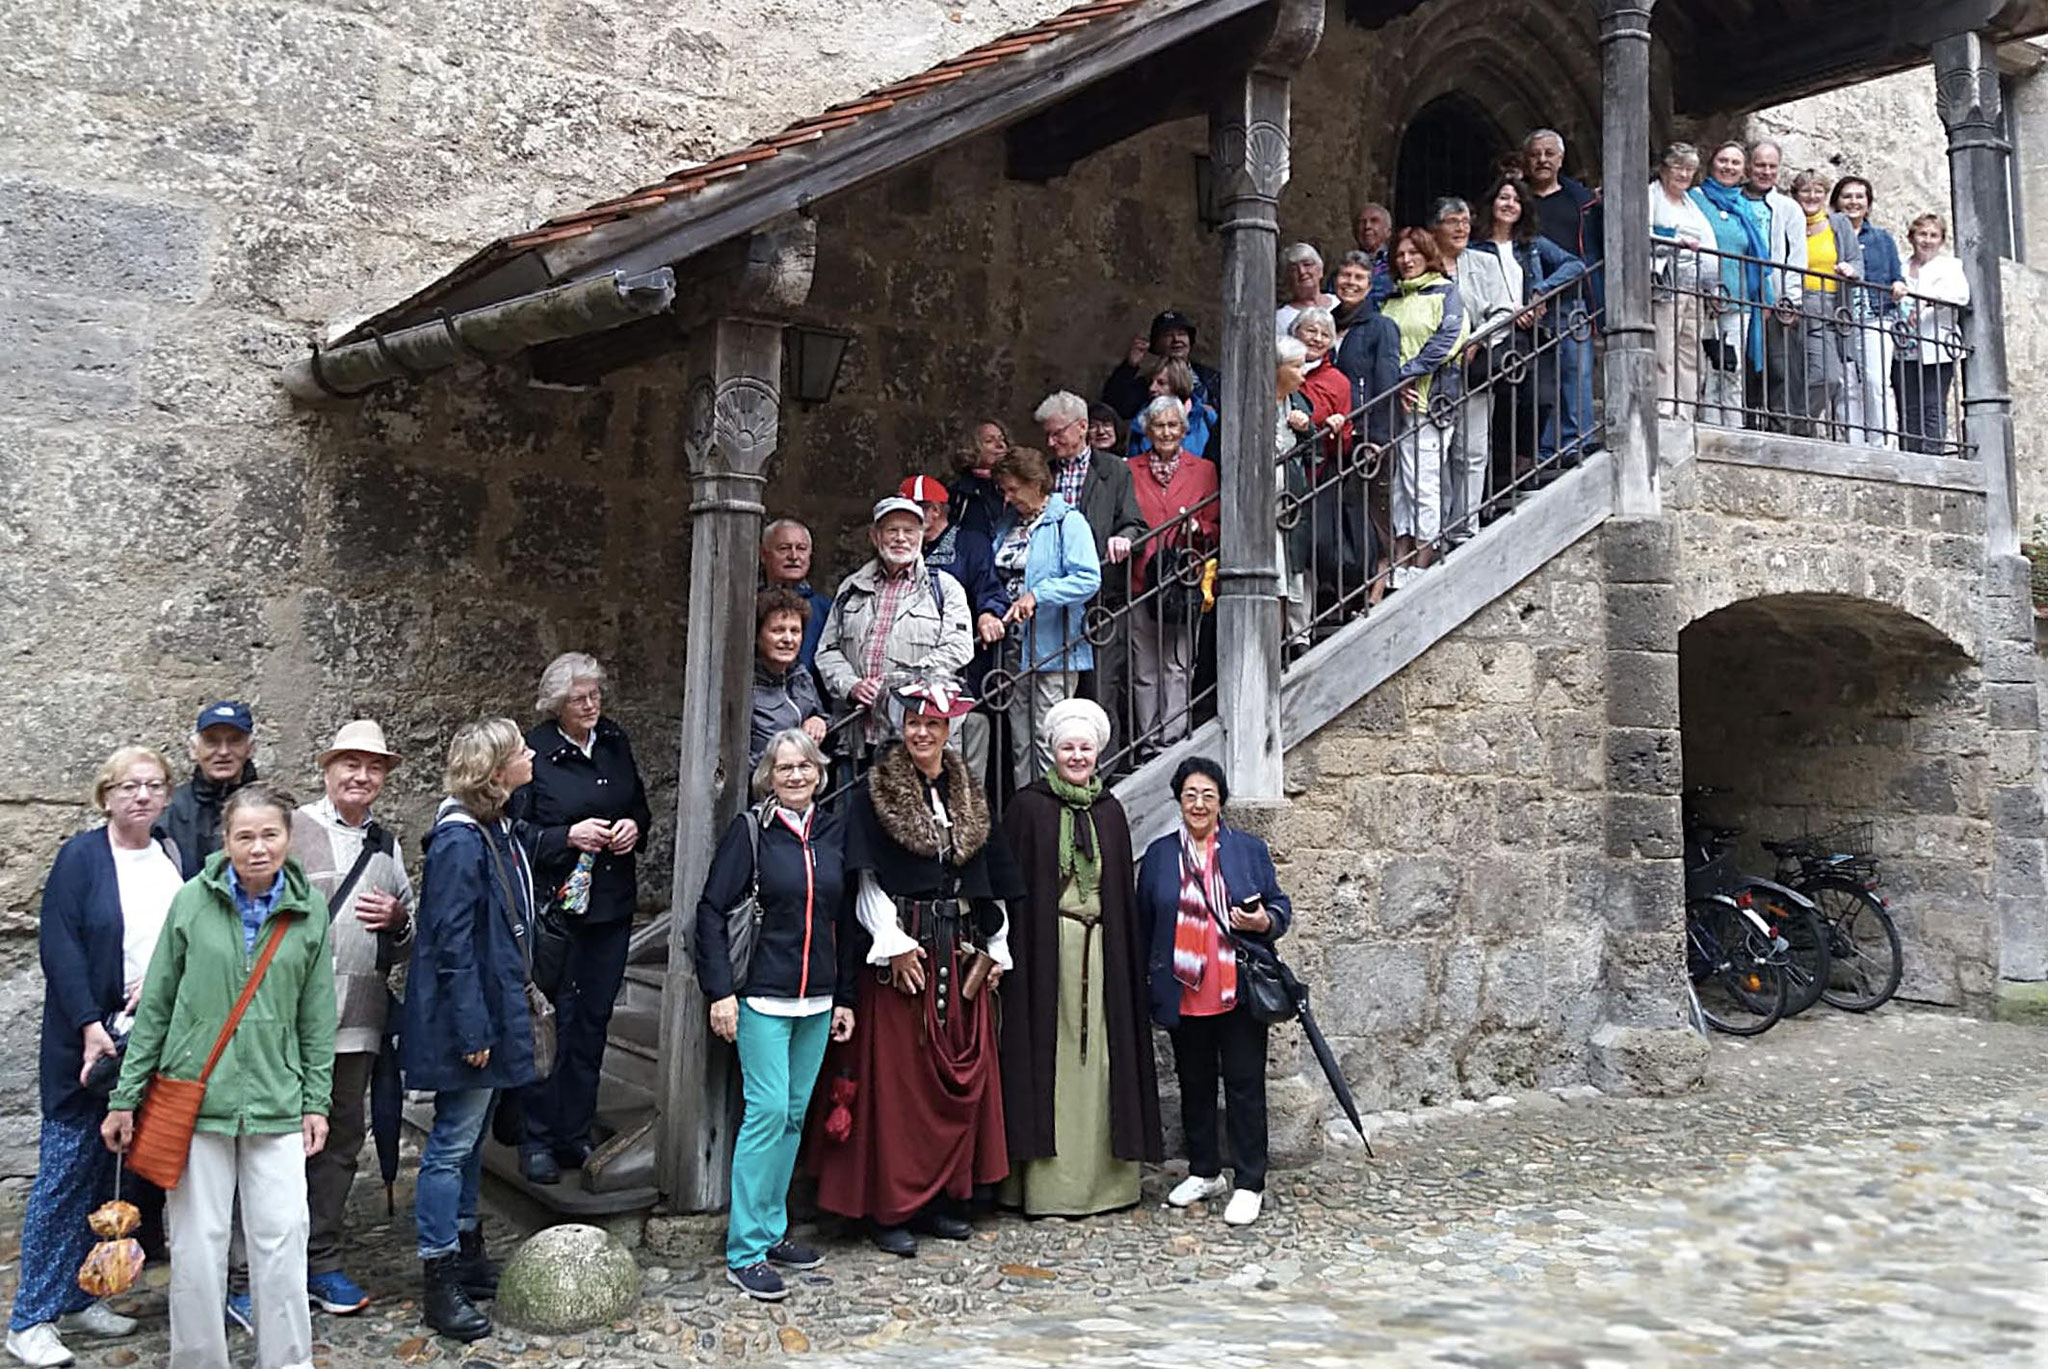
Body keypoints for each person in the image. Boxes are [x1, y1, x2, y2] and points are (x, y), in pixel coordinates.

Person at [102, 783, 337, 1369]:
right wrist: (126, 1096)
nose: (258, 847)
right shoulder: (192, 903)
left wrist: (317, 1100)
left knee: (282, 1241)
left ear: (288, 837)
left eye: (270, 834)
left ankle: (287, 1361)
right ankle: (200, 1361)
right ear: (225, 842)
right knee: (198, 1246)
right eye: (244, 836)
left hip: (277, 1099)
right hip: (196, 1098)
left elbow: (316, 1016)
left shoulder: (308, 913)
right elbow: (155, 1005)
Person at [808, 683, 1023, 1257]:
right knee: (899, 1091)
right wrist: (893, 942)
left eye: (932, 725)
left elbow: (989, 875)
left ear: (949, 731)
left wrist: (996, 943)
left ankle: (937, 1202)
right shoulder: (877, 793)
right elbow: (867, 880)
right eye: (912, 724)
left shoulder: (968, 794)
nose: (921, 733)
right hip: (902, 957)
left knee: (945, 1085)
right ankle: (890, 1208)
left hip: (957, 954)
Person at [7, 748, 178, 1369]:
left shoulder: (168, 856)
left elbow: (174, 938)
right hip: (88, 1044)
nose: (141, 796)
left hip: (143, 1042)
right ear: (105, 795)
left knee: (113, 1178)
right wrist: (87, 1024)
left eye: (154, 786)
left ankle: (82, 1294)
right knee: (64, 1176)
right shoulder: (81, 856)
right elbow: (60, 944)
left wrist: (161, 979)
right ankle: (30, 1319)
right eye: (129, 786)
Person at [692, 728, 856, 1301]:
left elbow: (847, 920)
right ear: (769, 775)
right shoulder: (752, 833)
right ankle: (744, 1248)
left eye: (804, 766)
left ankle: (773, 1227)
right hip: (762, 996)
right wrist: (719, 992)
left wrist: (846, 999)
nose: (794, 775)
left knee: (792, 1114)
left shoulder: (832, 831)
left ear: (818, 772)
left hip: (818, 999)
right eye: (783, 767)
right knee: (764, 1112)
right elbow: (711, 912)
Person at [401, 718, 541, 1342]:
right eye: (520, 752)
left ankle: (466, 1250)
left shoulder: (492, 830)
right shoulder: (461, 842)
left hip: (489, 1007)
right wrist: (473, 1028)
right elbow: (449, 942)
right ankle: (439, 1274)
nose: (531, 755)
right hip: (472, 1015)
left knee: (471, 1137)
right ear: (494, 772)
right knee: (451, 1144)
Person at [997, 699, 1161, 1216]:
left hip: (1103, 951)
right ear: (1052, 750)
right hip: (1049, 952)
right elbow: (1011, 887)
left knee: (1103, 1059)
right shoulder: (1027, 808)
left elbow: (1121, 891)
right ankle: (1049, 1187)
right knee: (1051, 1054)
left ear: (1097, 753)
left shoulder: (1109, 811)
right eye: (1067, 747)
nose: (1076, 756)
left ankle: (1105, 1184)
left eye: (1085, 748)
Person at [506, 653, 652, 1186]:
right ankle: (536, 1135)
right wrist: (566, 836)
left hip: (609, 906)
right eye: (578, 699)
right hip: (555, 912)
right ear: (556, 705)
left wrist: (633, 828)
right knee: (549, 1023)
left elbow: (639, 807)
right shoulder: (534, 752)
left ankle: (575, 1129)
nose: (590, 706)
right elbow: (512, 833)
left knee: (592, 1022)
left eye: (595, 696)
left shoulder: (614, 740)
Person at [290, 721, 415, 1318]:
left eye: (373, 768)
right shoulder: (292, 831)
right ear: (327, 768)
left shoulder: (386, 846)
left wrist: (396, 919)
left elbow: (412, 934)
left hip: (358, 1020)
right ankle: (251, 1268)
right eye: (350, 764)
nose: (361, 776)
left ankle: (322, 1260)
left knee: (340, 1143)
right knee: (271, 1142)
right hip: (286, 1024)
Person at [1137, 757, 1292, 1227]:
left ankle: (1249, 1181)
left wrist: (1263, 921)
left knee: (1245, 1087)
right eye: (1190, 795)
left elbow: (1279, 908)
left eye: (1208, 794)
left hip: (1238, 988)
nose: (1199, 804)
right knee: (1195, 1085)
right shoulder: (1161, 855)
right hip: (1185, 988)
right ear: (1179, 801)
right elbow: (1146, 922)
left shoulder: (1248, 850)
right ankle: (1205, 1171)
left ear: (1221, 800)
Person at [816, 497, 974, 753]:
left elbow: (958, 648)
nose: (901, 538)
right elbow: (827, 649)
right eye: (892, 530)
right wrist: (851, 685)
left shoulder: (944, 588)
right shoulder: (851, 587)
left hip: (918, 735)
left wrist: (896, 684)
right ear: (875, 536)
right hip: (857, 735)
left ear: (921, 536)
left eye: (909, 531)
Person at [991, 446, 1103, 783]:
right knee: (1020, 739)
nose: (1008, 498)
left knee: (1047, 734)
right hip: (1013, 646)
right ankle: (1030, 808)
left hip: (1053, 646)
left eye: (1013, 489)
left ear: (1036, 483)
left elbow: (1088, 578)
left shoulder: (1068, 522)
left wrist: (1038, 595)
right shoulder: (1007, 524)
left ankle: (1052, 811)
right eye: (1004, 490)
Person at [1470, 176, 1587, 491]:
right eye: (1503, 198)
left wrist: (1540, 293)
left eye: (1516, 200)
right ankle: (1499, 474)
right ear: (1492, 204)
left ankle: (1521, 462)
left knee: (1541, 397)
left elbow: (1574, 265)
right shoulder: (1473, 246)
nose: (1509, 204)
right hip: (1492, 332)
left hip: (1528, 334)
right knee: (1503, 401)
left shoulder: (1532, 244)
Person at [1126, 398, 1220, 750]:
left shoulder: (1204, 469)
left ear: (1184, 430)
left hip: (1184, 578)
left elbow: (1216, 523)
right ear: (1148, 431)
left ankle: (1175, 737)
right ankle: (1150, 741)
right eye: (1158, 426)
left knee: (1178, 662)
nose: (1165, 432)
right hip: (1142, 578)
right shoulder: (1130, 469)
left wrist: (1200, 527)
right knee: (1144, 666)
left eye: (1172, 426)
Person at [904, 474, 1006, 785]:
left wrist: (989, 613)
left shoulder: (969, 544)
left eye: (910, 512)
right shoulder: (907, 549)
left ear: (933, 511)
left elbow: (990, 588)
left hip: (960, 670)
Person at [1382, 227, 1469, 590]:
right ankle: (1402, 551)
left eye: (1413, 253)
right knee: (1401, 484)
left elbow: (1449, 341)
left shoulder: (1447, 293)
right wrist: (1392, 380)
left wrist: (1406, 375)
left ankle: (1424, 553)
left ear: (1427, 254)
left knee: (1424, 479)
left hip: (1429, 400)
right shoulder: (1391, 301)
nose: (1406, 260)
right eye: (1400, 255)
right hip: (1395, 404)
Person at [1522, 129, 1603, 461]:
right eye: (1535, 154)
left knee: (1577, 371)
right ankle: (1539, 450)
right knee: (1536, 382)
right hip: (1526, 303)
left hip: (1573, 298)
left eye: (1548, 154)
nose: (1542, 160)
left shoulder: (1582, 201)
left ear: (1560, 159)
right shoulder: (1520, 200)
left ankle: (1574, 442)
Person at [1430, 196, 1502, 545]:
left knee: (1471, 451)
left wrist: (1476, 339)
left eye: (1465, 221)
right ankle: (1438, 528)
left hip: (1473, 369)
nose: (1461, 228)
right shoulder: (1426, 265)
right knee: (1437, 453)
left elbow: (1504, 311)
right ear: (1435, 228)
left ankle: (1464, 527)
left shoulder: (1485, 263)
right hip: (1435, 373)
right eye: (1452, 221)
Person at [1690, 142, 1768, 428]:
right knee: (1708, 368)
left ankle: (1734, 428)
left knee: (1731, 369)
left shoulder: (1743, 205)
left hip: (1739, 298)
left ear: (1743, 169)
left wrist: (1763, 296)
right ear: (1712, 163)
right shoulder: (1696, 198)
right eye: (1723, 160)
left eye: (1735, 163)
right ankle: (1710, 426)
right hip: (1703, 296)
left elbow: (1754, 252)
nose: (1728, 167)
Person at [1830, 175, 1906, 447]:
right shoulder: (1829, 233)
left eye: (1859, 196)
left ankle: (1883, 443)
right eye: (1847, 196)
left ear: (1868, 203)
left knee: (1876, 380)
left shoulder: (1881, 238)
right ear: (1837, 202)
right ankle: (1853, 442)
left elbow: (1896, 274)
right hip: (1839, 315)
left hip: (1876, 313)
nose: (1853, 202)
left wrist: (1898, 284)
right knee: (1846, 382)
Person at [1740, 139, 1810, 431]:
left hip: (1776, 296)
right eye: (1760, 165)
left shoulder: (1788, 208)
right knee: (1744, 365)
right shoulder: (1735, 201)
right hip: (1742, 294)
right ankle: (1746, 423)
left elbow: (1797, 255)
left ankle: (1780, 426)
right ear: (1749, 166)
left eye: (1771, 166)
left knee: (1780, 367)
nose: (1766, 171)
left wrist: (1790, 300)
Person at [1791, 169, 1863, 440]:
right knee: (1797, 373)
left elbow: (1858, 262)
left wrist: (1851, 270)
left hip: (1831, 306)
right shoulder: (1789, 220)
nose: (1812, 196)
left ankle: (1799, 423)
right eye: (1806, 191)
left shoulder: (1839, 223)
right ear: (1796, 195)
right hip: (1796, 302)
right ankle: (1797, 426)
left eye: (1818, 190)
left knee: (1829, 376)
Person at [1649, 144, 1715, 421]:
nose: (1684, 174)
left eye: (1690, 169)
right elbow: (1642, 232)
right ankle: (1664, 406)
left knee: (1691, 350)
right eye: (1679, 167)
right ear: (1664, 168)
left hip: (1694, 285)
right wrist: (1675, 243)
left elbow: (1708, 242)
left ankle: (1686, 409)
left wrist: (1712, 285)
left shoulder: (1691, 203)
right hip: (1666, 282)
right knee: (1664, 345)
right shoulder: (1650, 196)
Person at [1896, 212, 1970, 455]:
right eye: (1922, 234)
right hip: (1903, 346)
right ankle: (1911, 453)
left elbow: (1960, 297)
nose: (1927, 240)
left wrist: (1928, 302)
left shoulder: (1950, 266)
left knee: (1932, 404)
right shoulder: (1901, 266)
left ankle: (1932, 454)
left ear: (1941, 240)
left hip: (1936, 344)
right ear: (1912, 237)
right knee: (1908, 407)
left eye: (1933, 235)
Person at [159, 700, 258, 879]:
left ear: (250, 749)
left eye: (234, 741)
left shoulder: (270, 808)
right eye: (212, 742)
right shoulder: (168, 809)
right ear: (194, 750)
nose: (223, 752)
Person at [752, 588, 831, 769]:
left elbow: (822, 721)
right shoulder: (744, 689)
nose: (788, 639)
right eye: (778, 630)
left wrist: (819, 720)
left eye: (795, 631)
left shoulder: (801, 677)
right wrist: (786, 753)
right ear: (757, 636)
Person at [1102, 310, 1222, 423]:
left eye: (1182, 334)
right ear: (1155, 345)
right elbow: (1114, 409)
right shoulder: (1149, 384)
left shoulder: (1210, 378)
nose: (1176, 339)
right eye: (1168, 335)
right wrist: (1129, 366)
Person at [1274, 336, 1318, 629]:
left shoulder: (1299, 401)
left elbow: (1315, 454)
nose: (1303, 374)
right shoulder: (1252, 401)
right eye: (1297, 367)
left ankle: (1294, 638)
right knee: (1274, 576)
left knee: (1291, 570)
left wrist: (1307, 429)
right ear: (1278, 369)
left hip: (1290, 500)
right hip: (1262, 505)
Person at [759, 520, 834, 675]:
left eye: (801, 548)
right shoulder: (749, 604)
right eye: (784, 548)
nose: (793, 556)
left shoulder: (825, 609)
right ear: (764, 555)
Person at [1125, 357, 1216, 460]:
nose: (1152, 388)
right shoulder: (1141, 422)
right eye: (1151, 382)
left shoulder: (1206, 417)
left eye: (1161, 383)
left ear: (1178, 384)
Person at [950, 421, 1013, 541]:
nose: (1000, 445)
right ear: (972, 448)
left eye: (1002, 439)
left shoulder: (1016, 484)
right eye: (989, 441)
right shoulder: (960, 492)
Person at [1276, 242, 1338, 340]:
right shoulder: (1280, 318)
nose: (1302, 272)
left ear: (1320, 270)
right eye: (1294, 269)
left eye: (1307, 265)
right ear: (1287, 277)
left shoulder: (1339, 303)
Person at [1345, 203, 1396, 307]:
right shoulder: (1344, 268)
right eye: (1361, 222)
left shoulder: (1397, 264)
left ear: (1388, 231)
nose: (1367, 226)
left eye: (1374, 221)